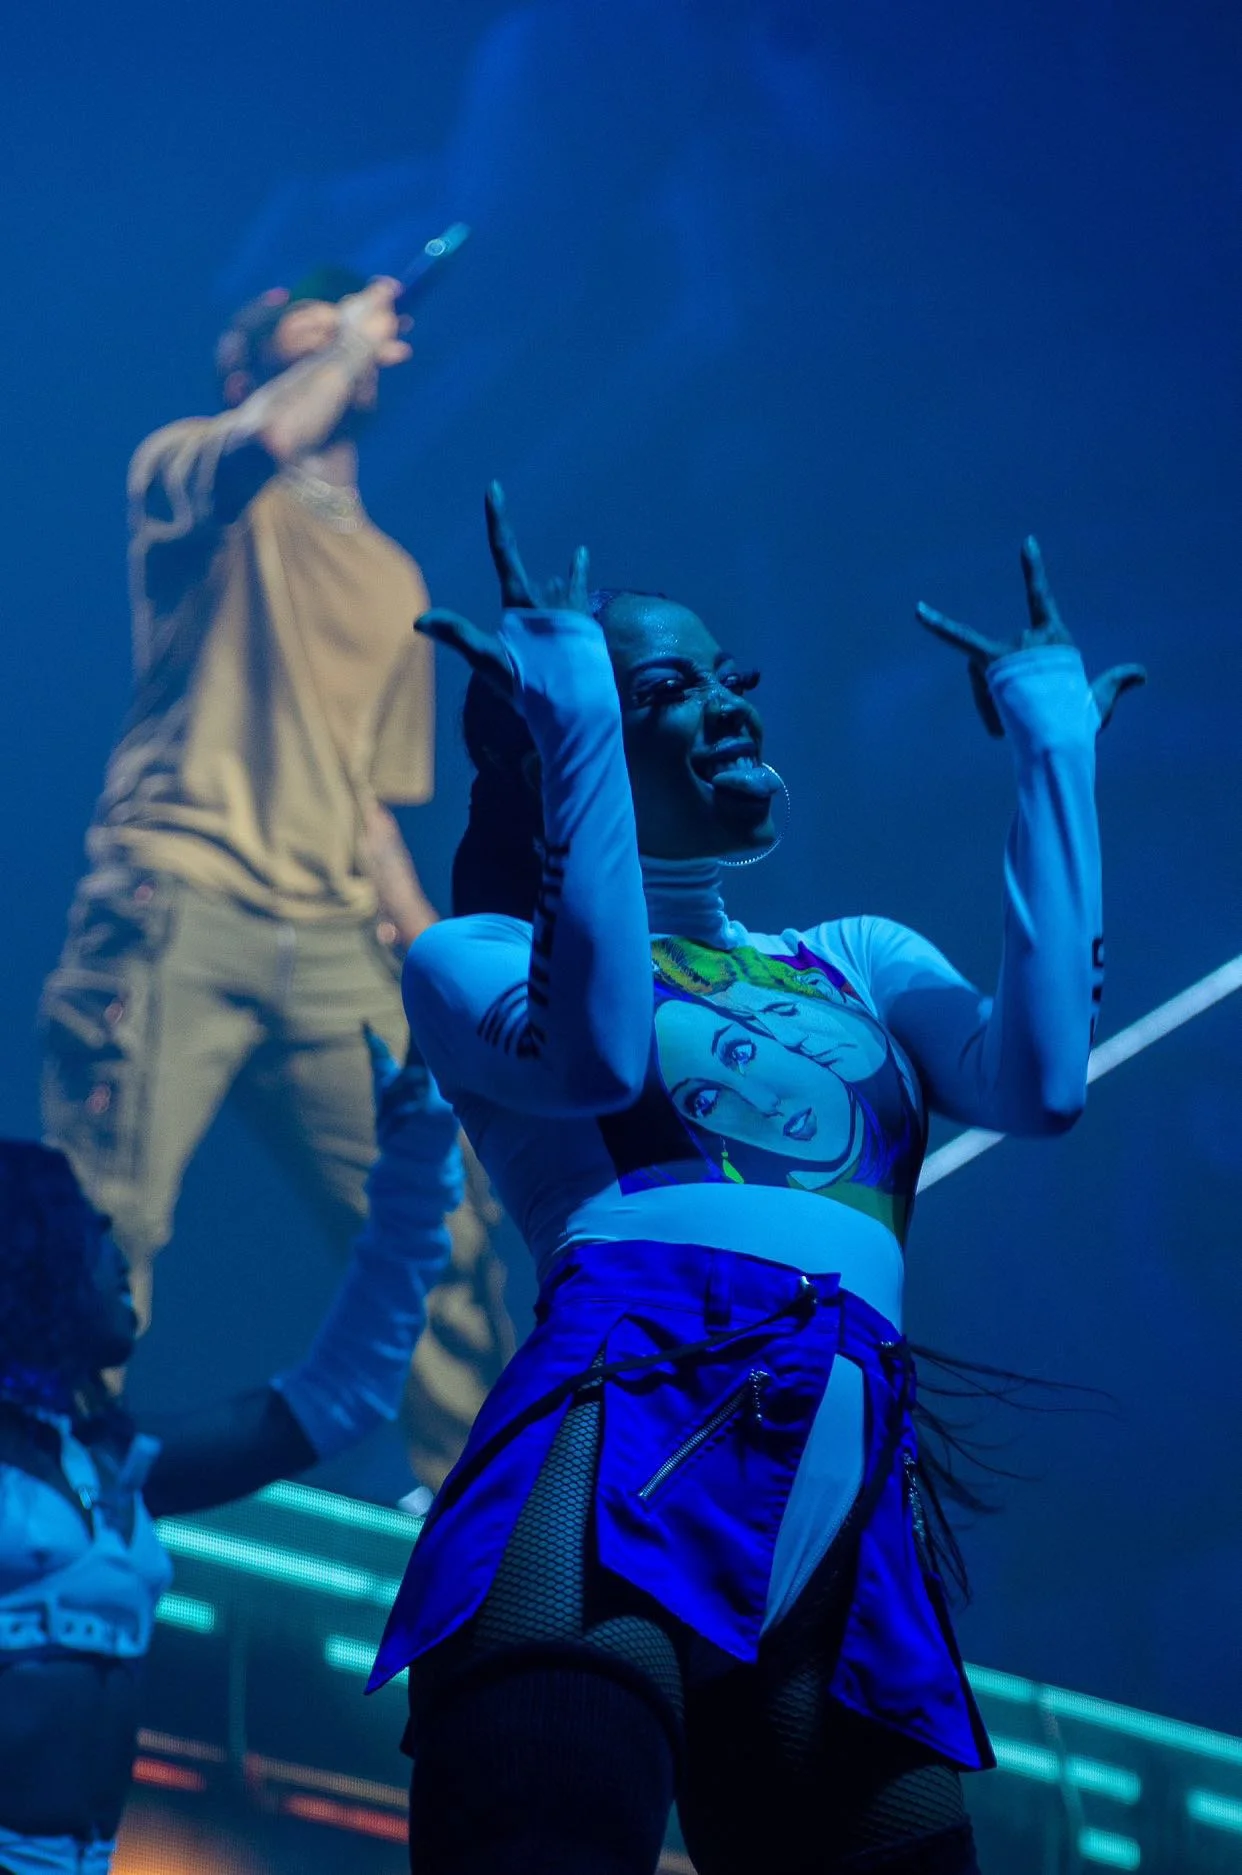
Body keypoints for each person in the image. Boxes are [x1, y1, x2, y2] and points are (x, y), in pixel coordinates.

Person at [367, 487, 1144, 1875]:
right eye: (671, 688)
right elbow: (598, 1054)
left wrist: (1052, 748)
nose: (728, 705)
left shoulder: (856, 956)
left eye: (732, 677)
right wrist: (575, 724)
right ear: (565, 740)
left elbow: (1043, 1084)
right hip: (621, 1425)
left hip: (848, 1499)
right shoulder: (467, 954)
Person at [39, 268, 513, 1478]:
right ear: (250, 371)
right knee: (94, 1234)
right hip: (176, 899)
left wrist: (439, 961)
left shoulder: (394, 579)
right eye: (310, 336)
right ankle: (48, 1519)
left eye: (352, 335)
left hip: (335, 941)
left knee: (446, 1228)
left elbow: (365, 804)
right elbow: (266, 440)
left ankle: (507, 1539)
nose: (347, 345)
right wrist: (344, 343)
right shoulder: (193, 472)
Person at [0, 1032, 458, 1875]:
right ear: (30, 1263)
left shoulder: (107, 1464)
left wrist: (414, 1171)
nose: (116, 1256)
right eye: (87, 1234)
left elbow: (341, 1394)